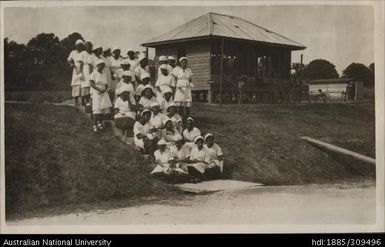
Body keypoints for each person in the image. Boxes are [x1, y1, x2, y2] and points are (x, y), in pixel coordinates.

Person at [89, 59, 112, 132]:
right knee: (97, 109)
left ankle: (100, 123)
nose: (102, 67)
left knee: (102, 108)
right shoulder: (93, 73)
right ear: (97, 66)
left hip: (104, 92)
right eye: (101, 65)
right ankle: (95, 125)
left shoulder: (104, 74)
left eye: (103, 66)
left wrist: (107, 88)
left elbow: (106, 84)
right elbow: (91, 84)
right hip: (97, 92)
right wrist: (99, 89)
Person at [67, 39, 85, 106]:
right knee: (76, 85)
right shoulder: (73, 52)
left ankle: (83, 101)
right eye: (78, 45)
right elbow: (69, 60)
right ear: (76, 46)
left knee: (83, 85)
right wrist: (72, 64)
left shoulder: (84, 53)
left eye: (81, 45)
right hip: (76, 70)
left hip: (83, 70)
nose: (79, 47)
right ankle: (76, 101)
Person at [80, 41, 94, 108]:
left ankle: (91, 102)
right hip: (85, 70)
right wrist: (81, 73)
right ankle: (86, 101)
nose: (89, 47)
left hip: (92, 69)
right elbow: (81, 64)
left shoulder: (93, 54)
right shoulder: (83, 53)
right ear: (85, 47)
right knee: (85, 86)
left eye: (90, 46)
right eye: (87, 46)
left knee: (91, 84)